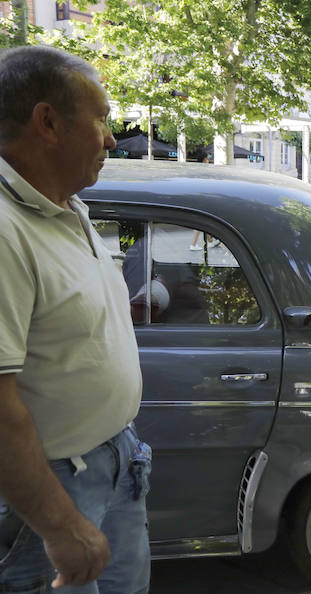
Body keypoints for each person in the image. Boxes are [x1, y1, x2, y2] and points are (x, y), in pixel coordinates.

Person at [0, 46, 149, 592]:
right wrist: (58, 525)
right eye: (103, 119)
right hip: (53, 490)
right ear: (48, 122)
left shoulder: (66, 205)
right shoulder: (5, 228)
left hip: (117, 460)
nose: (111, 138)